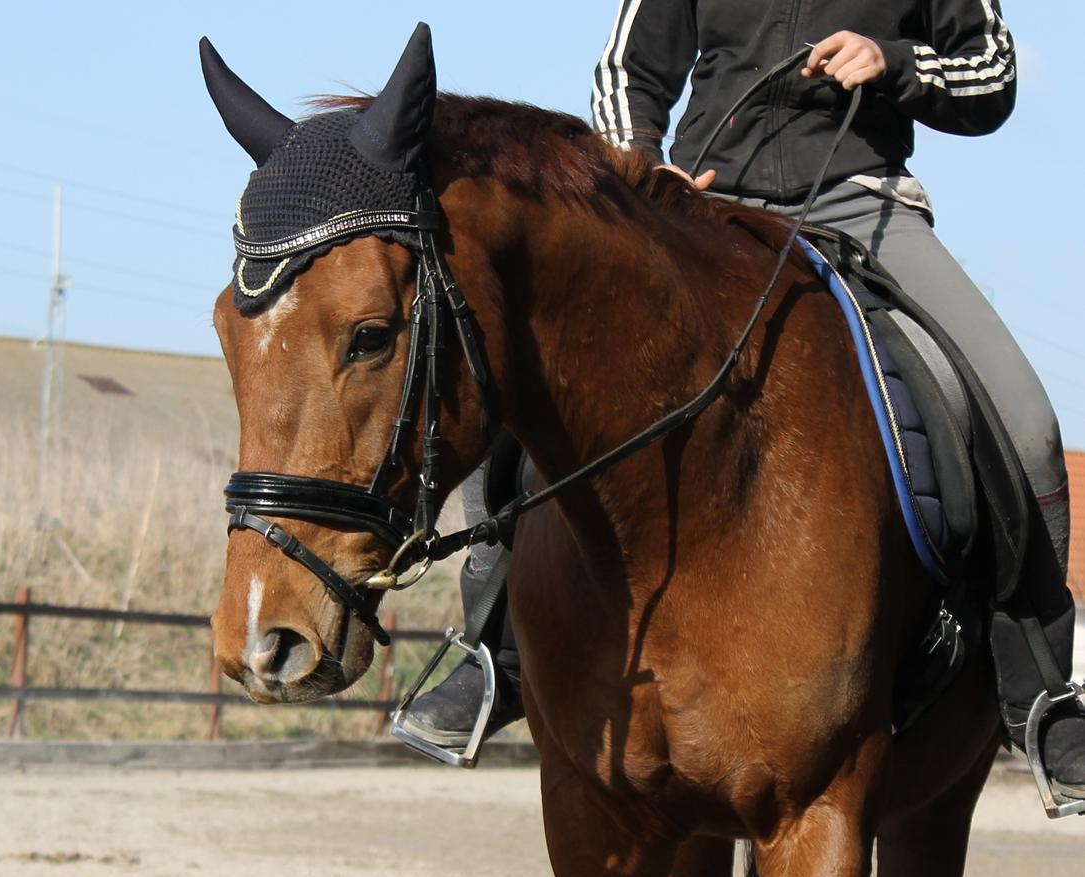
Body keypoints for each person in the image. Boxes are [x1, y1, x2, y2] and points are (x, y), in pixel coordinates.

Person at [401, 0, 1084, 805]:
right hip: (697, 198)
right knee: (531, 385)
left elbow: (992, 71)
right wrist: (642, 162)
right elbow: (630, 68)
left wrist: (893, 61)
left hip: (859, 205)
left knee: (1027, 420)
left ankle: (1038, 687)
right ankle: (494, 652)